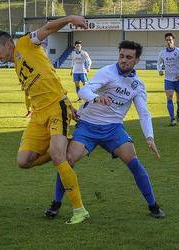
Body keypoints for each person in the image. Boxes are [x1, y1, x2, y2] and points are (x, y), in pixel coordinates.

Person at [44, 40, 165, 220]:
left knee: (134, 163)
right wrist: (96, 99)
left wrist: (149, 137)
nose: (124, 60)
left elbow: (144, 112)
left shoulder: (137, 85)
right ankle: (56, 203)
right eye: (121, 56)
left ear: (137, 60)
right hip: (88, 126)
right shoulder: (107, 72)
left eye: (129, 57)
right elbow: (83, 91)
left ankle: (153, 206)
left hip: (113, 129)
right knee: (67, 160)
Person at [0, 16, 90, 224]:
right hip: (38, 115)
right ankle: (60, 145)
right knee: (23, 161)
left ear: (9, 44)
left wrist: (72, 19)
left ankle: (79, 210)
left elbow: (49, 27)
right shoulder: (16, 63)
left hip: (55, 108)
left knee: (59, 157)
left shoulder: (26, 43)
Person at [158, 33, 179, 126]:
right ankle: (172, 119)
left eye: (170, 39)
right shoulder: (162, 53)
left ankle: (178, 111)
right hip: (168, 79)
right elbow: (159, 63)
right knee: (169, 97)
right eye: (167, 40)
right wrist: (160, 70)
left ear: (173, 40)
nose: (168, 41)